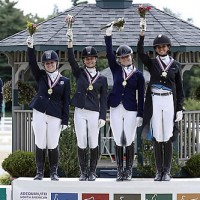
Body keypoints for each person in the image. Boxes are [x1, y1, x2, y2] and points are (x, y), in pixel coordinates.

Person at [137, 20, 184, 181]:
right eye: (158, 47)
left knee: (168, 135)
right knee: (157, 135)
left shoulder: (175, 65)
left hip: (169, 100)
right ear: (156, 49)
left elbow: (180, 87)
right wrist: (142, 35)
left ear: (168, 48)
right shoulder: (152, 63)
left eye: (164, 46)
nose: (161, 49)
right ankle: (158, 171)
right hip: (155, 100)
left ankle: (167, 171)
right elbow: (140, 52)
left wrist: (180, 108)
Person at [26, 36, 70, 181]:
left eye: (51, 62)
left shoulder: (65, 81)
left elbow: (66, 101)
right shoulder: (41, 77)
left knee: (53, 143)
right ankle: (39, 172)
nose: (49, 65)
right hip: (39, 112)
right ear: (44, 65)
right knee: (40, 141)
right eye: (46, 63)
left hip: (55, 115)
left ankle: (53, 172)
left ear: (56, 63)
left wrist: (65, 120)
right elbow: (32, 63)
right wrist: (30, 46)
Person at [104, 25, 145, 181]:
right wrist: (109, 36)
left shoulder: (138, 75)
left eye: (126, 57)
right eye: (122, 58)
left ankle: (128, 171)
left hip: (131, 109)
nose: (124, 59)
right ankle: (119, 170)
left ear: (131, 57)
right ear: (119, 59)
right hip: (115, 106)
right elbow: (108, 55)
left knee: (128, 138)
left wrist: (140, 114)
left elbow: (141, 96)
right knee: (117, 138)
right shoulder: (116, 69)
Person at [67, 27, 108, 181]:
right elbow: (71, 59)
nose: (89, 60)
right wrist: (70, 39)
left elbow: (104, 99)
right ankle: (83, 171)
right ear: (83, 60)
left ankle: (92, 171)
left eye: (92, 58)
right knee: (82, 140)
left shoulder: (102, 78)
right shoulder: (80, 73)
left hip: (94, 112)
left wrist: (103, 116)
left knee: (93, 141)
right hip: (80, 111)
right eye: (86, 59)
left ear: (95, 59)